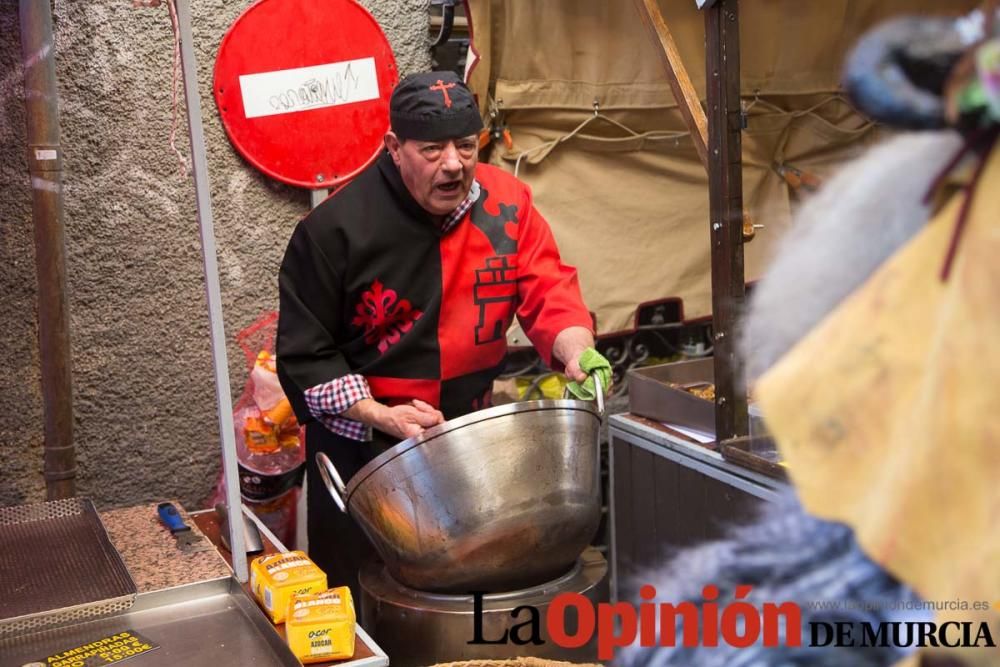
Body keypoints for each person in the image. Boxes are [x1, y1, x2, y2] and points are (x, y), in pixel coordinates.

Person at [276, 71, 604, 601]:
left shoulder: (509, 204)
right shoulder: (335, 229)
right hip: (368, 452)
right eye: (431, 149)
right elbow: (303, 355)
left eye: (466, 146)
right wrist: (378, 414)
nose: (453, 163)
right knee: (367, 600)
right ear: (394, 148)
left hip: (470, 442)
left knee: (478, 588)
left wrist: (577, 349)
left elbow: (549, 290)